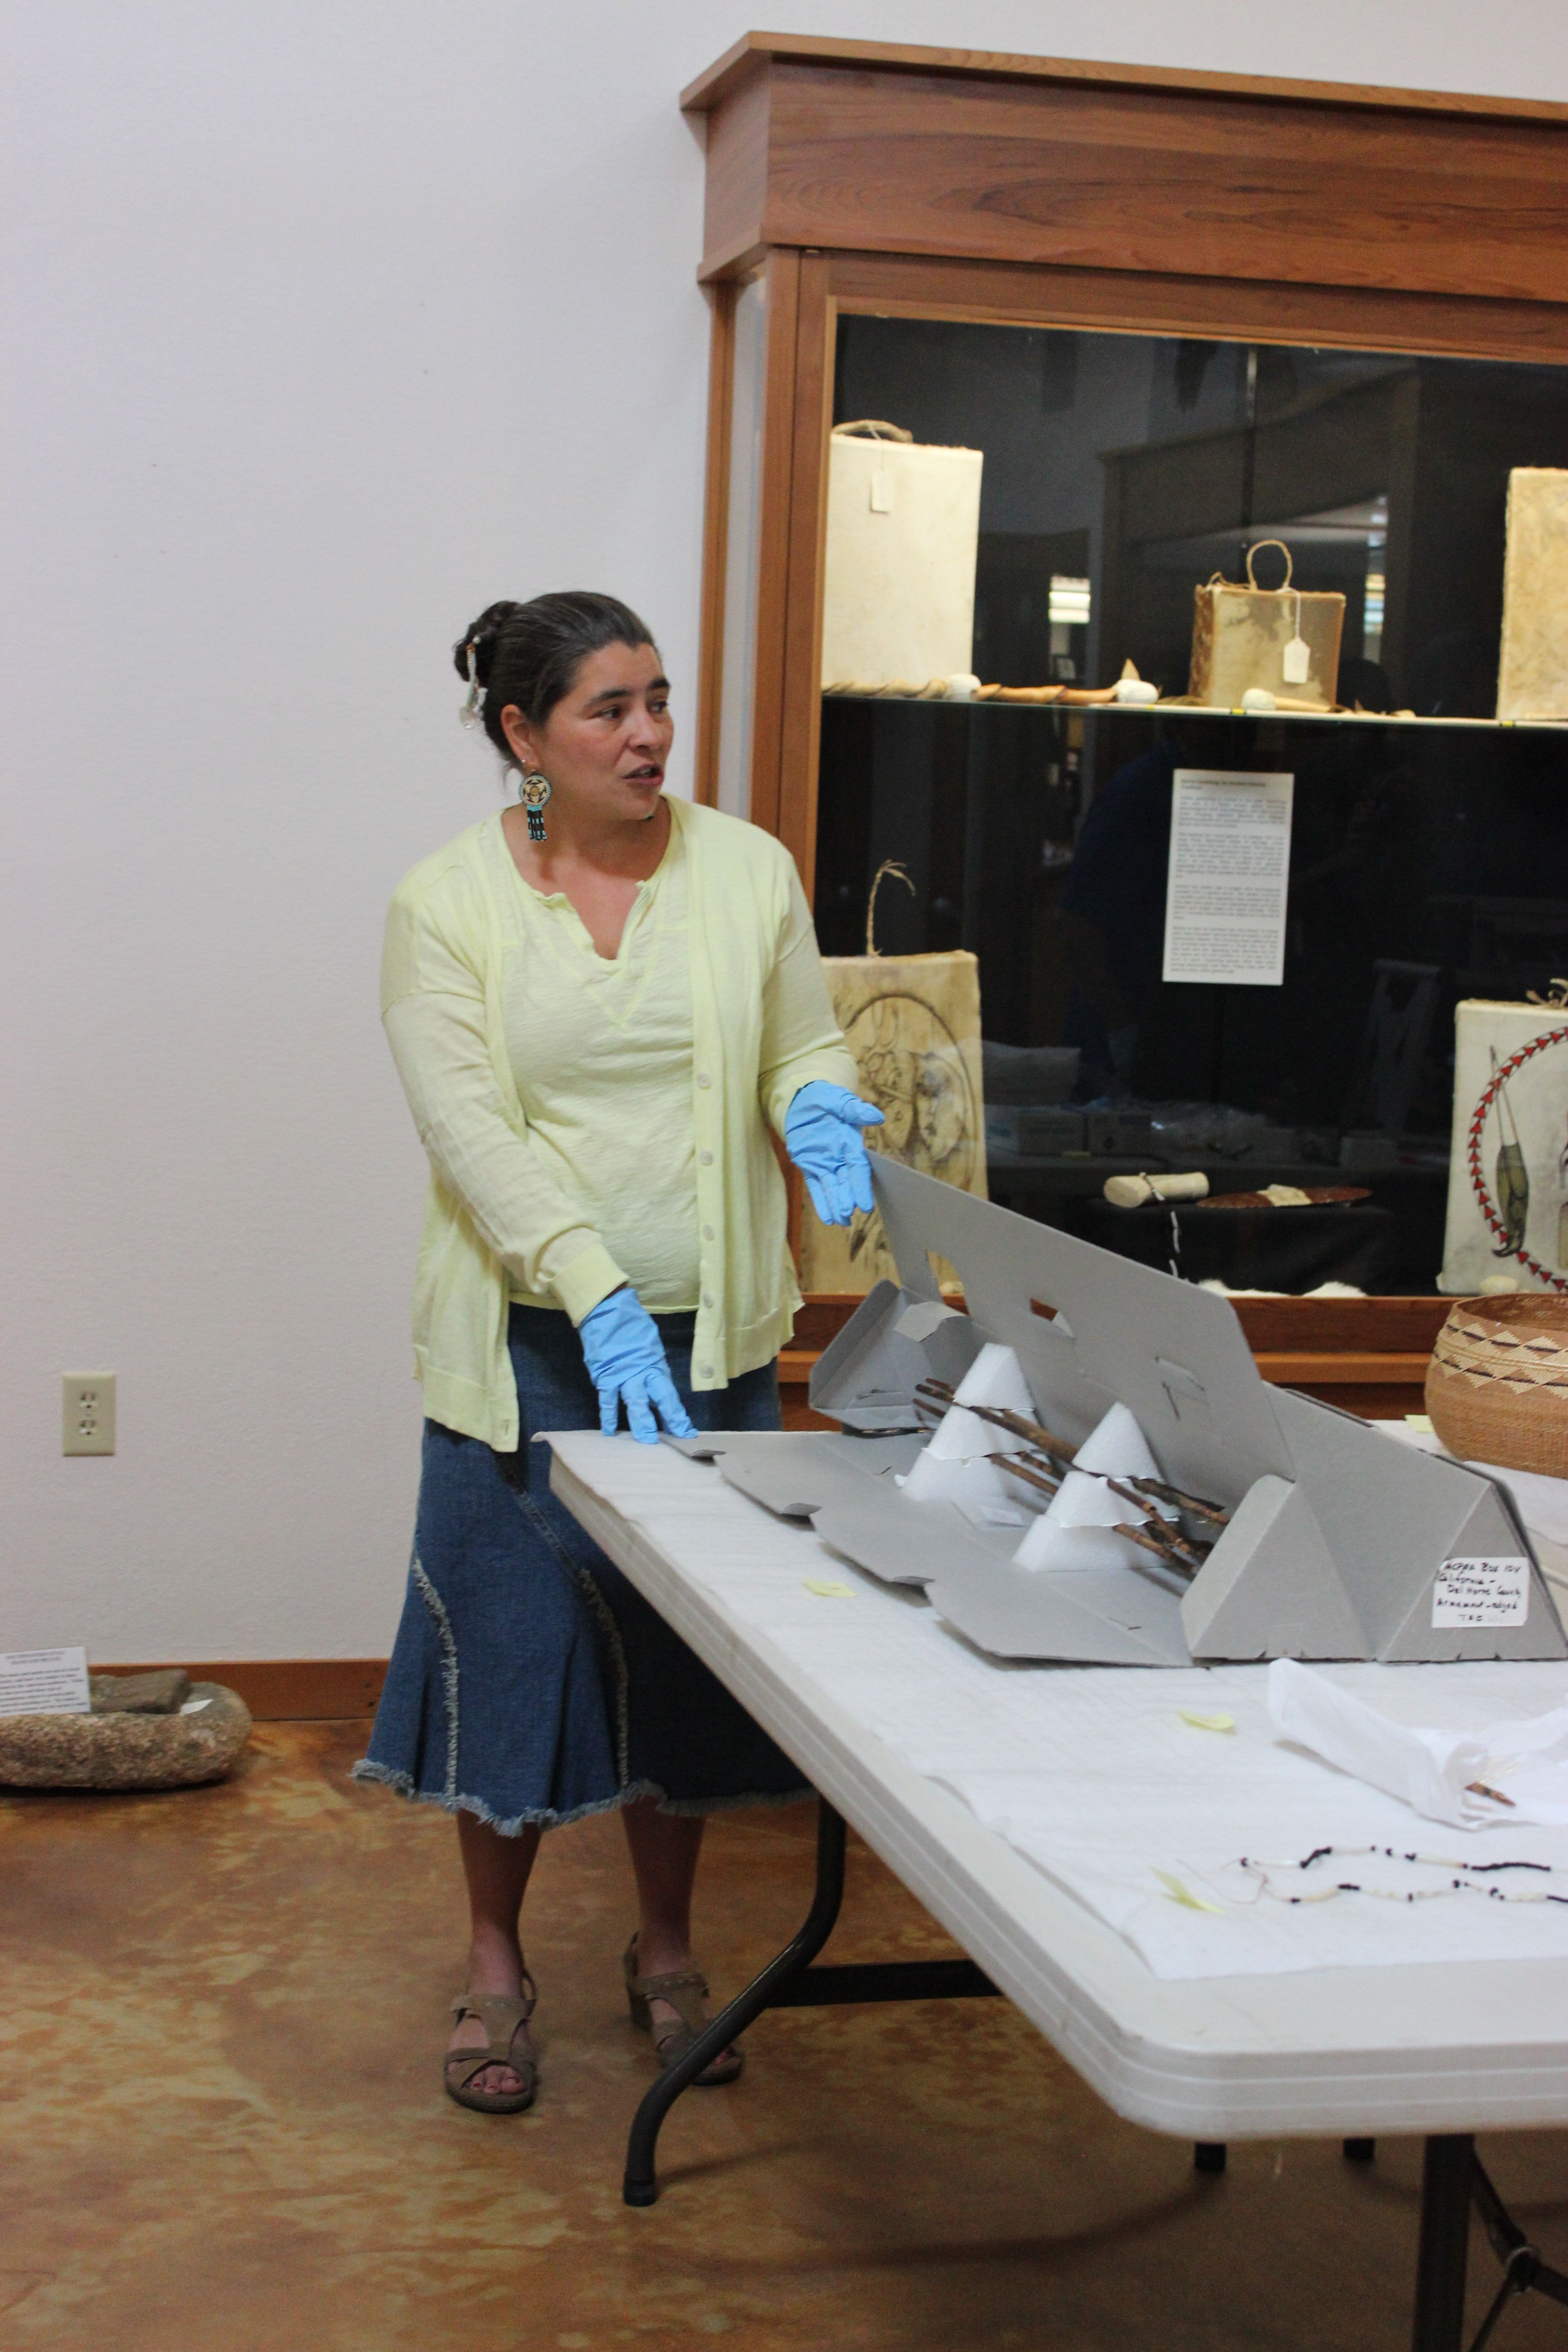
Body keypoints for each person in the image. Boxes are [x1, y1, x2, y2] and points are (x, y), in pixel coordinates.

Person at [356, 592, 882, 2114]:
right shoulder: (442, 907)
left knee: (681, 1667)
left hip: (705, 1343)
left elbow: (797, 1043)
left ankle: (665, 1956)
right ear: (523, 737)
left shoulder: (748, 871)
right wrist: (586, 1286)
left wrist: (822, 1110)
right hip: (527, 1344)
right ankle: (497, 1969)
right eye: (610, 709)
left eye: (659, 699)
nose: (650, 732)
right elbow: (472, 1131)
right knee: (509, 1653)